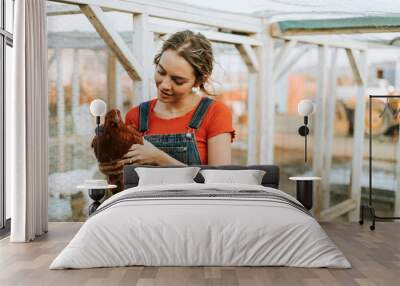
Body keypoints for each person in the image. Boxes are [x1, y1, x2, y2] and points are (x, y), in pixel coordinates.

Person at [109, 30, 235, 169]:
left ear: (199, 80)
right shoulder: (136, 116)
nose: (164, 85)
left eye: (178, 80)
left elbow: (219, 183)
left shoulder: (215, 113)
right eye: (161, 72)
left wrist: (159, 158)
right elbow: (128, 180)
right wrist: (112, 168)